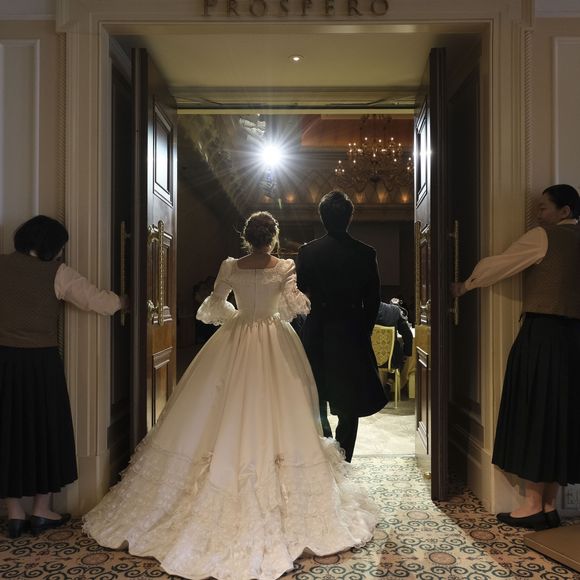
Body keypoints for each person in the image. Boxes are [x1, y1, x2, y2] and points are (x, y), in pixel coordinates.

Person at [84, 211, 378, 580]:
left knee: (217, 404)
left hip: (236, 336)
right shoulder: (285, 266)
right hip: (274, 339)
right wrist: (285, 305)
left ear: (247, 238)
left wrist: (237, 315)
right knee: (280, 407)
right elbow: (293, 306)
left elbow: (215, 305)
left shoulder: (230, 266)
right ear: (273, 238)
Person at [452, 184, 580, 531]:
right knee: (560, 416)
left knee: (536, 409)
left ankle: (533, 504)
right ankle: (550, 505)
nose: (538, 214)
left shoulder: (544, 237)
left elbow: (500, 265)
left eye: (544, 208)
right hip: (574, 339)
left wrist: (465, 286)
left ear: (565, 211)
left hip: (543, 334)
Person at [0, 215, 122, 539]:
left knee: (6, 431)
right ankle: (42, 510)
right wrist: (125, 300)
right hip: (40, 364)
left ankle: (14, 514)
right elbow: (102, 302)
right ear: (52, 246)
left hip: (3, 361)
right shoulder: (58, 273)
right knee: (45, 430)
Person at [296, 191, 387, 462]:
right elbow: (373, 300)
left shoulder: (308, 252)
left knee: (317, 392)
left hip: (318, 328)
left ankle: (324, 450)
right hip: (351, 330)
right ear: (349, 218)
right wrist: (363, 329)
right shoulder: (366, 253)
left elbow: (300, 293)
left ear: (322, 218)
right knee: (350, 397)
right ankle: (344, 455)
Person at [376, 300, 413, 370]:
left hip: (365, 361)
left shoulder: (358, 312)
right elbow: (407, 335)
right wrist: (407, 354)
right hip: (392, 361)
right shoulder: (394, 310)